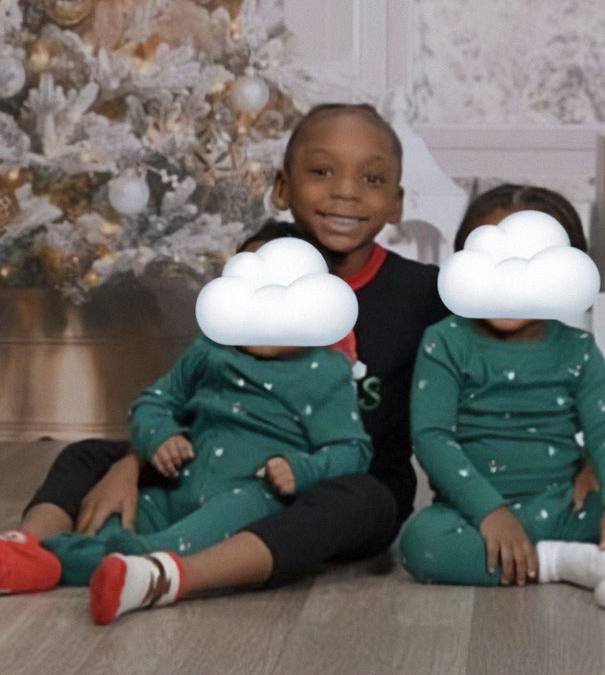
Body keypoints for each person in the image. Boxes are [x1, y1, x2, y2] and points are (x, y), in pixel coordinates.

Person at [1, 104, 448, 621]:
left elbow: (479, 378)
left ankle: (172, 575)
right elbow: (198, 393)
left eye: (370, 178)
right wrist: (132, 463)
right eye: (321, 171)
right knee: (88, 456)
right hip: (222, 457)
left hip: (333, 486)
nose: (345, 191)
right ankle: (26, 549)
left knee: (364, 499)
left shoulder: (422, 294)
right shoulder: (256, 270)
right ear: (282, 187)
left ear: (395, 203)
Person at [0, 231, 373, 613]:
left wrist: (303, 469)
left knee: (206, 524)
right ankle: (35, 553)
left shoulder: (324, 372)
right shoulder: (210, 350)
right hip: (181, 477)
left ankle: (124, 567)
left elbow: (352, 450)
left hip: (251, 490)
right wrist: (159, 436)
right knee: (109, 516)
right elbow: (154, 401)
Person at [400, 183, 605, 614]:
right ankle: (565, 564)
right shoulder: (445, 342)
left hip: (563, 505)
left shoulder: (578, 349)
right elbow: (432, 438)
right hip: (475, 513)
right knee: (422, 544)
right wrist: (489, 512)